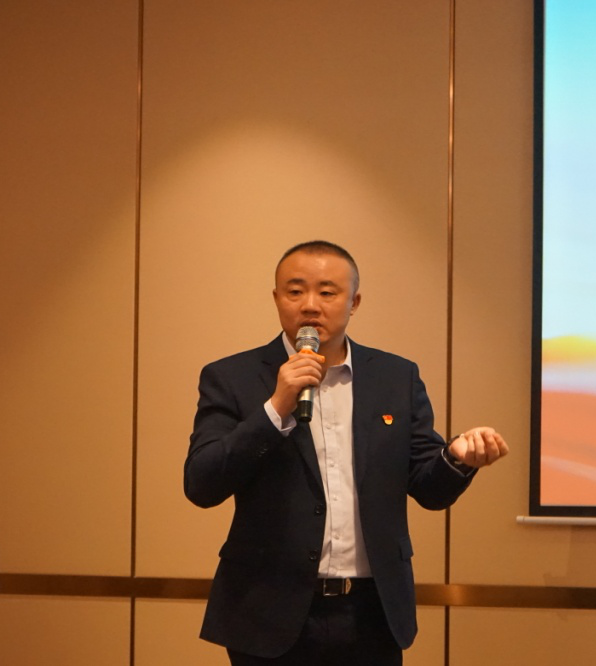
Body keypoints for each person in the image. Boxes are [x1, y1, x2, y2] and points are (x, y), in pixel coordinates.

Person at [184, 240, 508, 665]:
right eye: (295, 291)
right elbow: (202, 483)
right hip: (267, 610)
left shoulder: (395, 377)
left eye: (327, 292)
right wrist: (275, 407)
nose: (310, 305)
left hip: (371, 613)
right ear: (277, 298)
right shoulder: (232, 376)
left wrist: (457, 458)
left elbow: (429, 489)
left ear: (354, 302)